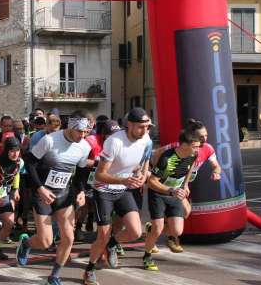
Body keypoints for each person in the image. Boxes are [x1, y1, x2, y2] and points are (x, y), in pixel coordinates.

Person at [16, 110, 91, 285]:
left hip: (64, 195)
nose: (83, 135)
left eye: (86, 132)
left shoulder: (84, 146)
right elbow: (29, 163)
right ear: (71, 126)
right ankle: (27, 243)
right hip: (42, 193)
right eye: (80, 131)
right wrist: (40, 188)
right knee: (45, 241)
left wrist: (81, 191)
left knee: (69, 238)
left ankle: (54, 276)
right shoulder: (50, 140)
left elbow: (81, 173)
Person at [83, 108, 153, 285]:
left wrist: (143, 176)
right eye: (140, 127)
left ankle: (112, 244)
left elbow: (145, 161)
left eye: (147, 126)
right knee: (102, 237)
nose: (144, 131)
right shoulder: (114, 142)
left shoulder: (146, 139)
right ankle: (89, 270)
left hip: (124, 188)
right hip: (104, 190)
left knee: (135, 232)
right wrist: (124, 180)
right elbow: (100, 175)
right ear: (129, 125)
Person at [143, 127, 201, 271]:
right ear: (184, 145)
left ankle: (153, 229)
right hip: (158, 194)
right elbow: (152, 181)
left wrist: (185, 185)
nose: (197, 150)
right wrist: (170, 190)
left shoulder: (192, 155)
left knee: (177, 231)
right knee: (158, 229)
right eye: (195, 147)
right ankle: (147, 256)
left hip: (175, 194)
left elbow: (189, 169)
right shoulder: (166, 158)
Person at [0, 137, 23, 260]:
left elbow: (17, 173)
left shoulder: (19, 162)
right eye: (12, 151)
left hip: (2, 195)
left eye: (18, 150)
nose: (15, 154)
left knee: (9, 222)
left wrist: (16, 189)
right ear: (6, 150)